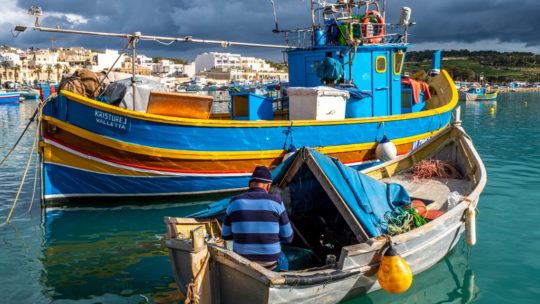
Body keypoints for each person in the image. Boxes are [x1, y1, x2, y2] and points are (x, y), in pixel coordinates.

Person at [221, 166, 293, 270]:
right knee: (283, 260)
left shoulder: (234, 202)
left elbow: (225, 235)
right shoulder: (276, 202)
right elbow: (288, 237)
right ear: (268, 186)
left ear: (250, 184)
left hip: (242, 261)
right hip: (270, 262)